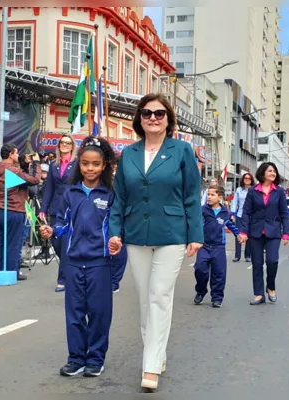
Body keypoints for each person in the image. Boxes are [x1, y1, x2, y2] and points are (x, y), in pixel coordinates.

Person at [108, 93, 203, 391]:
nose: (152, 118)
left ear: (168, 119)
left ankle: (150, 366)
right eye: (147, 113)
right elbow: (120, 197)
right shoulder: (130, 154)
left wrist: (195, 235)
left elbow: (192, 195)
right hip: (136, 233)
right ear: (139, 118)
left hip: (172, 233)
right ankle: (157, 354)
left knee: (159, 295)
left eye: (159, 113)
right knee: (144, 299)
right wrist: (115, 231)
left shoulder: (182, 151)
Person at [40, 136, 116, 378]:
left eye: (95, 164)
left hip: (99, 263)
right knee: (74, 314)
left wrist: (116, 240)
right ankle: (76, 358)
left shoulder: (110, 194)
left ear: (104, 166)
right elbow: (61, 222)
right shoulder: (70, 193)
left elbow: (116, 226)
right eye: (85, 164)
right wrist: (52, 230)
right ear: (78, 164)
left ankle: (95, 359)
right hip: (72, 261)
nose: (90, 169)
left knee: (98, 313)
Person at [237, 162, 289, 305]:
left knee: (272, 261)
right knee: (257, 263)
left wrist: (286, 233)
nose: (273, 174)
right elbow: (246, 212)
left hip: (273, 231)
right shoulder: (253, 191)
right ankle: (259, 294)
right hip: (256, 231)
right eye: (270, 171)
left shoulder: (279, 192)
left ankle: (270, 286)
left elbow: (284, 213)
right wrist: (243, 231)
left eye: (274, 171)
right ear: (262, 173)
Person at [0, 144, 41, 281]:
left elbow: (18, 180)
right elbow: (34, 180)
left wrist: (23, 163)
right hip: (12, 209)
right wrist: (36, 163)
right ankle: (12, 272)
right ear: (11, 154)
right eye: (16, 153)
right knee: (13, 243)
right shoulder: (12, 170)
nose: (18, 156)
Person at [41, 134, 78, 292]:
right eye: (62, 142)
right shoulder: (53, 164)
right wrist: (43, 209)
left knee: (64, 243)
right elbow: (49, 188)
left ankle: (62, 279)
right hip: (56, 207)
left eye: (68, 143)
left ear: (72, 146)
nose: (64, 145)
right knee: (56, 242)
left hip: (72, 207)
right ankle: (71, 269)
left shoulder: (77, 163)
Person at [196, 184, 240, 308]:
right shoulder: (202, 210)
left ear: (220, 197)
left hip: (219, 247)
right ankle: (201, 291)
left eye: (212, 195)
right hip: (204, 245)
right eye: (208, 194)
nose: (209, 197)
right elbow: (195, 224)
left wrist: (238, 234)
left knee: (219, 274)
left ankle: (217, 298)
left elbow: (229, 225)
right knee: (200, 270)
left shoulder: (225, 212)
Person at [110, 160, 127, 293]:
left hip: (123, 215)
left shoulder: (126, 176)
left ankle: (114, 281)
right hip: (105, 212)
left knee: (119, 249)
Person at [231, 173, 254, 263]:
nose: (247, 180)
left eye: (249, 178)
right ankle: (237, 256)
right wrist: (232, 214)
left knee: (249, 236)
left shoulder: (254, 190)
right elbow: (234, 202)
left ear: (251, 180)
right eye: (245, 178)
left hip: (251, 216)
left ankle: (247, 255)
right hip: (240, 216)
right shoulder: (239, 190)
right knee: (238, 235)